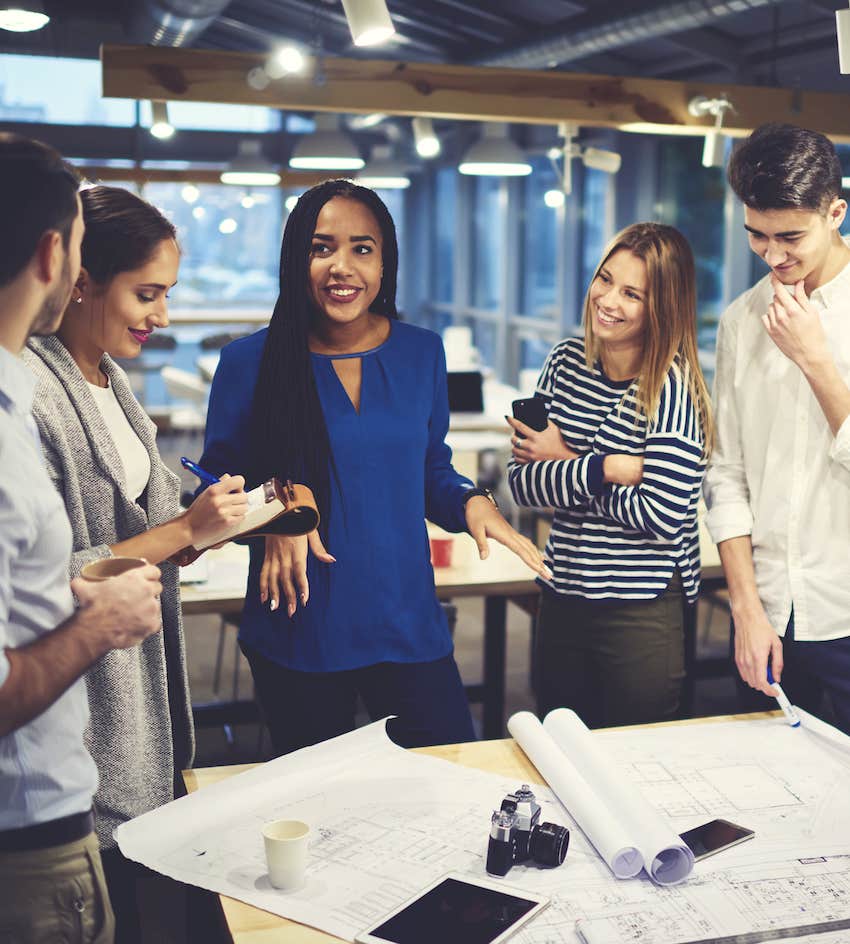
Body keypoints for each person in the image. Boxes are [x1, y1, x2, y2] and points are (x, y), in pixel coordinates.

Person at [200, 178, 548, 755]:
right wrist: (278, 510)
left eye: (363, 248)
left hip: (407, 621)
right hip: (300, 628)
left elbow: (430, 468)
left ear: (385, 263)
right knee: (320, 815)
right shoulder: (249, 362)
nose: (343, 267)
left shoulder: (420, 353)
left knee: (448, 781)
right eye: (321, 248)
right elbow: (215, 492)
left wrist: (470, 500)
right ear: (296, 258)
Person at [22, 185, 248, 943]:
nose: (163, 317)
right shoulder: (32, 396)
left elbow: (146, 535)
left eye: (169, 296)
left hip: (144, 699)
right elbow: (58, 574)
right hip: (79, 714)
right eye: (146, 295)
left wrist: (200, 531)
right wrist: (181, 525)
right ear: (80, 279)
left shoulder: (114, 385)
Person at [0, 135, 163, 944]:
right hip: (28, 827)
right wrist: (100, 620)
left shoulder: (44, 392)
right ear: (55, 254)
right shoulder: (17, 408)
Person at [507, 223, 713, 728]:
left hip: (639, 609)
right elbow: (522, 485)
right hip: (563, 592)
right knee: (558, 745)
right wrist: (610, 467)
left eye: (632, 293)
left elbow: (662, 516)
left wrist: (565, 461)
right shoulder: (564, 362)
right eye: (605, 279)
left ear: (660, 306)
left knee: (634, 759)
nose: (608, 300)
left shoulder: (670, 385)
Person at [704, 123, 850, 732]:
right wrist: (745, 609)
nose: (773, 256)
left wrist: (816, 359)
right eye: (757, 236)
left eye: (790, 236)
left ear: (836, 212)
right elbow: (727, 474)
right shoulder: (742, 319)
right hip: (766, 620)